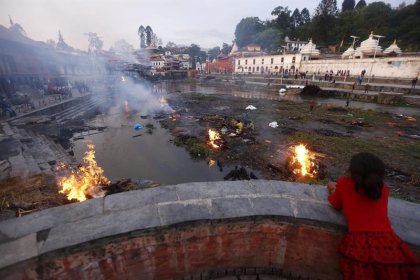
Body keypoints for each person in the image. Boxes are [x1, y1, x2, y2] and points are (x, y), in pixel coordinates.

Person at [327, 153, 419, 280]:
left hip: (360, 245)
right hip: (388, 245)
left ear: (353, 171)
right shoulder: (384, 189)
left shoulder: (344, 183)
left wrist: (333, 190)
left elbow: (335, 203)